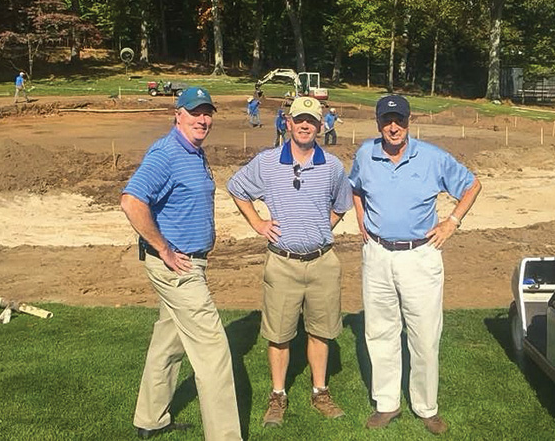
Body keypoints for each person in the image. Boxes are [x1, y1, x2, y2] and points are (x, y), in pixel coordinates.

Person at [349, 95, 481, 435]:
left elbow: (472, 185)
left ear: (410, 121)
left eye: (400, 120)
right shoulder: (366, 153)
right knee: (380, 332)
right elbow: (356, 188)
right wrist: (362, 220)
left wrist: (452, 222)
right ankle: (387, 403)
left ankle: (425, 406)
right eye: (387, 120)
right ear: (378, 123)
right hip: (377, 254)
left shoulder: (433, 158)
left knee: (424, 336)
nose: (394, 127)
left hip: (420, 256)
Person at [121, 87, 242, 441]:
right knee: (214, 353)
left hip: (187, 264)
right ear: (178, 114)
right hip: (179, 269)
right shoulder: (167, 153)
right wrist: (164, 248)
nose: (203, 119)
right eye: (195, 112)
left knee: (168, 342)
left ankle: (150, 418)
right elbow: (131, 201)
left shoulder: (194, 152)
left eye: (207, 113)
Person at [227, 96, 353, 428]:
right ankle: (278, 395)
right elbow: (236, 187)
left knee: (321, 331)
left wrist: (322, 228)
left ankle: (319, 391)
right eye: (299, 119)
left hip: (323, 262)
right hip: (282, 263)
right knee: (279, 334)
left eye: (312, 120)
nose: (305, 125)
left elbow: (342, 203)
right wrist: (258, 223)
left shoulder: (333, 165)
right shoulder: (268, 162)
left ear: (321, 124)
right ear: (288, 122)